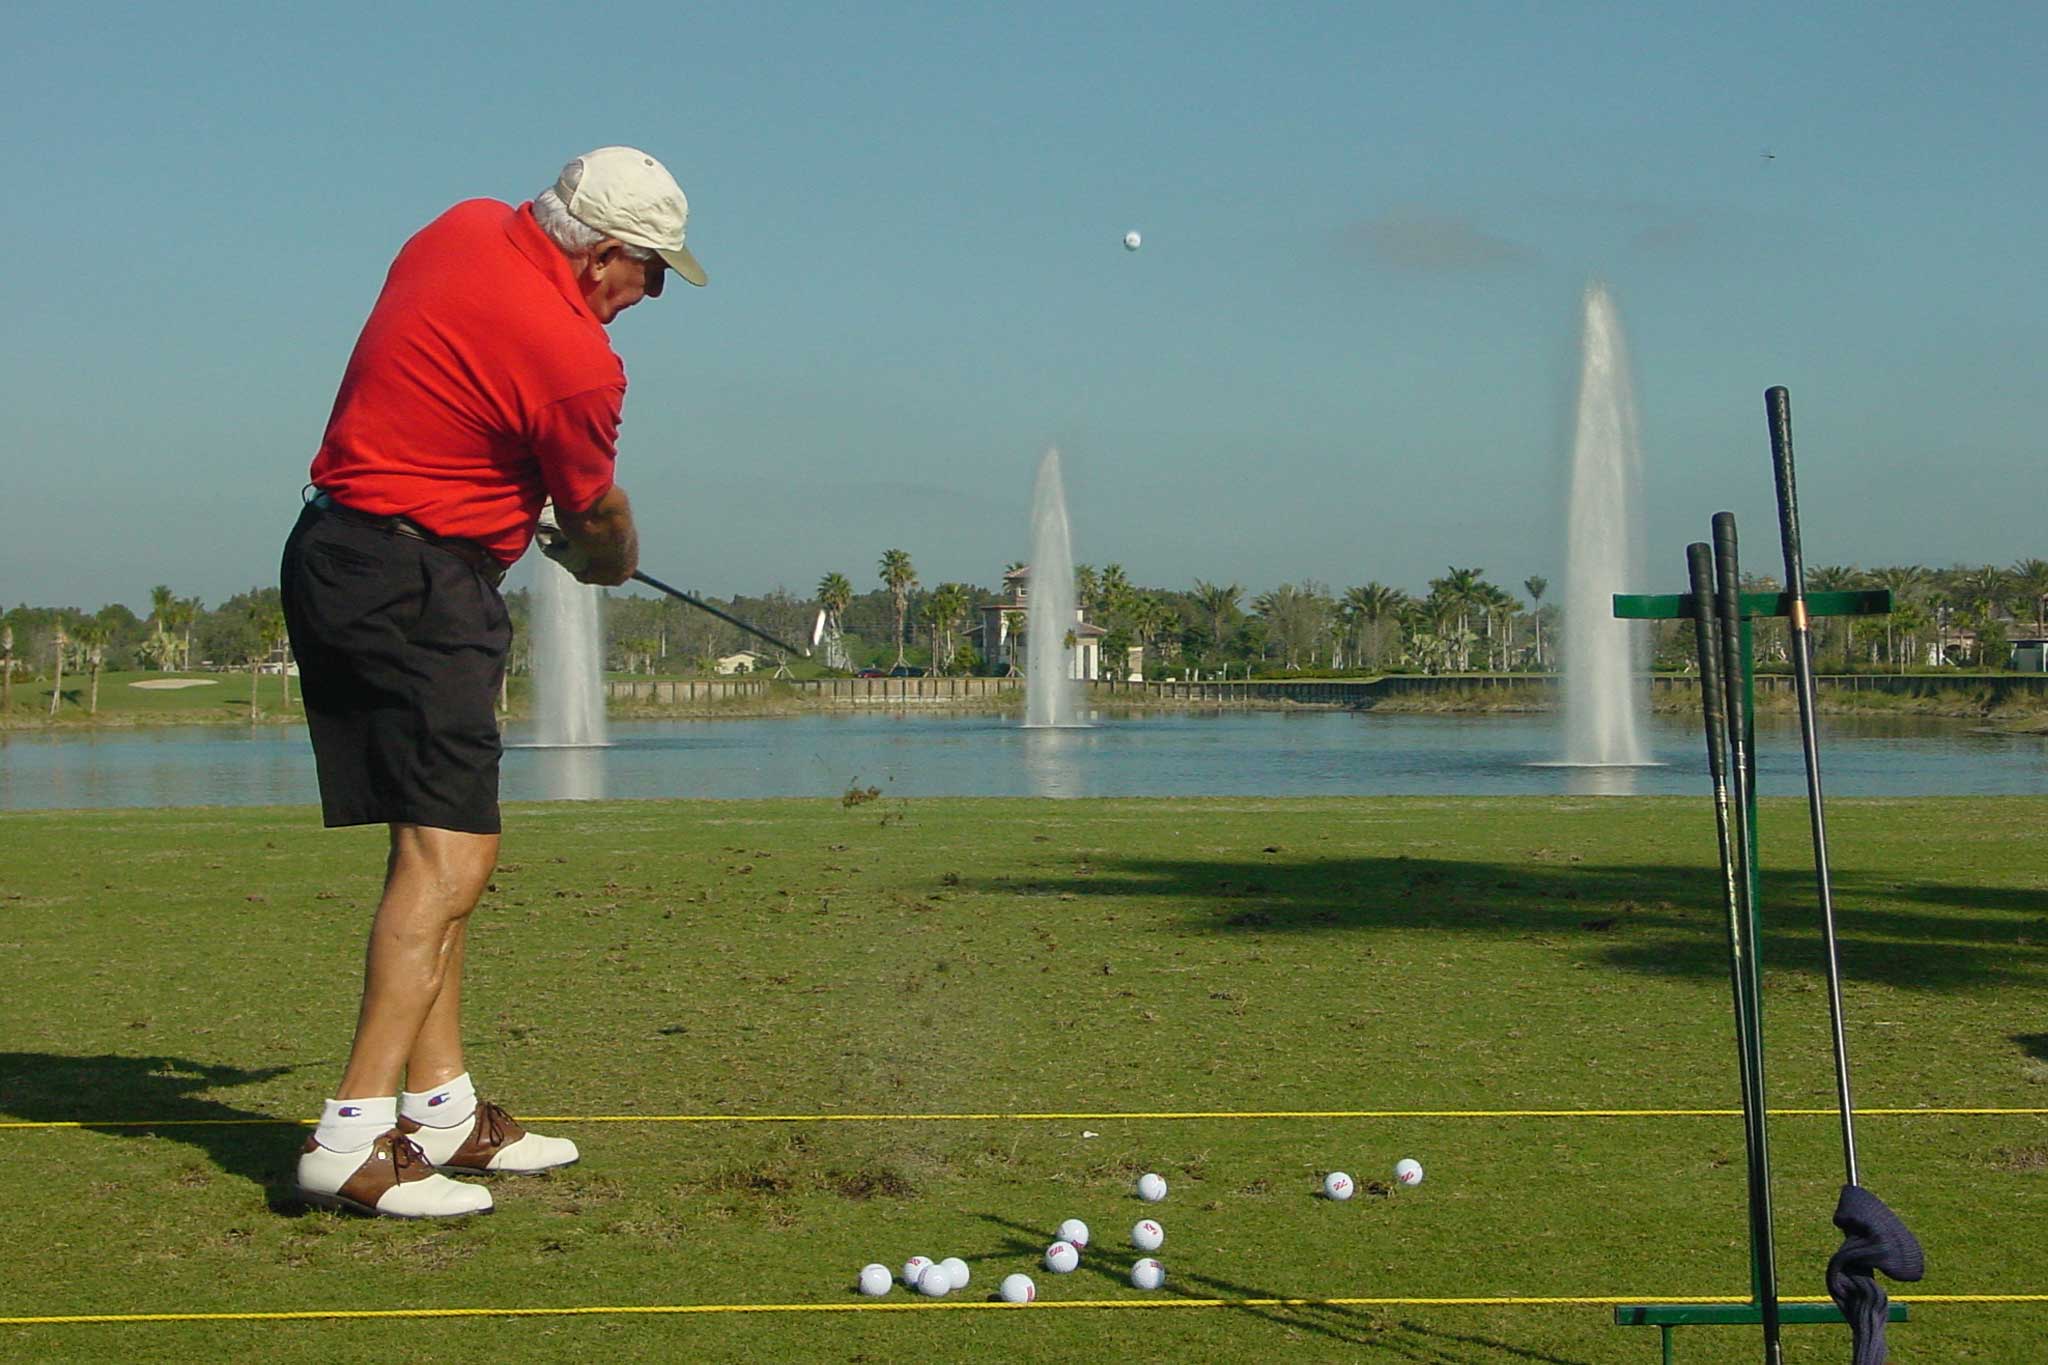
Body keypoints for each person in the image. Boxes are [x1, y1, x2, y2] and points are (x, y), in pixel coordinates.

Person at [280, 146, 705, 1218]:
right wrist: (600, 553)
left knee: (435, 839)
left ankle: (443, 1110)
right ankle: (351, 1136)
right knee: (452, 857)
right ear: (603, 254)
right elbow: (599, 525)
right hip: (421, 585)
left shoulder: (458, 224)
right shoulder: (578, 361)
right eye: (648, 274)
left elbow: (454, 391)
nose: (648, 296)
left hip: (334, 553)